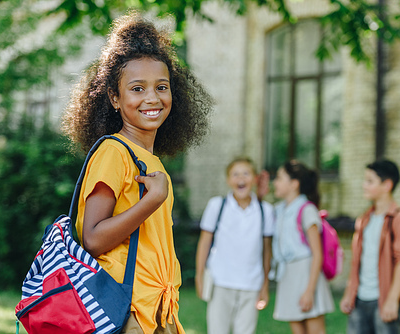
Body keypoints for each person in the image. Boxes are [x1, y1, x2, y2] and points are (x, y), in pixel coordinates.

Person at [62, 12, 213, 334]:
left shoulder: (149, 160)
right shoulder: (114, 153)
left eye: (161, 87)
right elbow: (92, 239)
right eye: (137, 89)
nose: (152, 98)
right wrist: (152, 200)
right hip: (125, 307)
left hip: (157, 307)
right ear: (115, 98)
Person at [195, 157, 275, 334]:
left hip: (251, 284)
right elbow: (204, 243)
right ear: (228, 180)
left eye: (246, 173)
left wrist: (265, 285)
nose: (241, 178)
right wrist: (199, 276)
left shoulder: (265, 211)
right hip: (220, 282)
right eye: (235, 174)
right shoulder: (217, 206)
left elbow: (266, 251)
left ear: (254, 179)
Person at [339, 159, 400, 334]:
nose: (364, 185)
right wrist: (349, 291)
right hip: (359, 300)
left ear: (387, 185)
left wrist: (392, 300)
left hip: (383, 300)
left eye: (370, 181)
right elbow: (357, 261)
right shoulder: (364, 219)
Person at [271, 160, 334, 334]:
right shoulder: (280, 210)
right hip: (288, 274)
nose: (275, 182)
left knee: (315, 330)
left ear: (294, 184)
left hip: (306, 274)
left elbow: (317, 254)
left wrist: (310, 290)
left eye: (279, 178)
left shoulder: (307, 210)